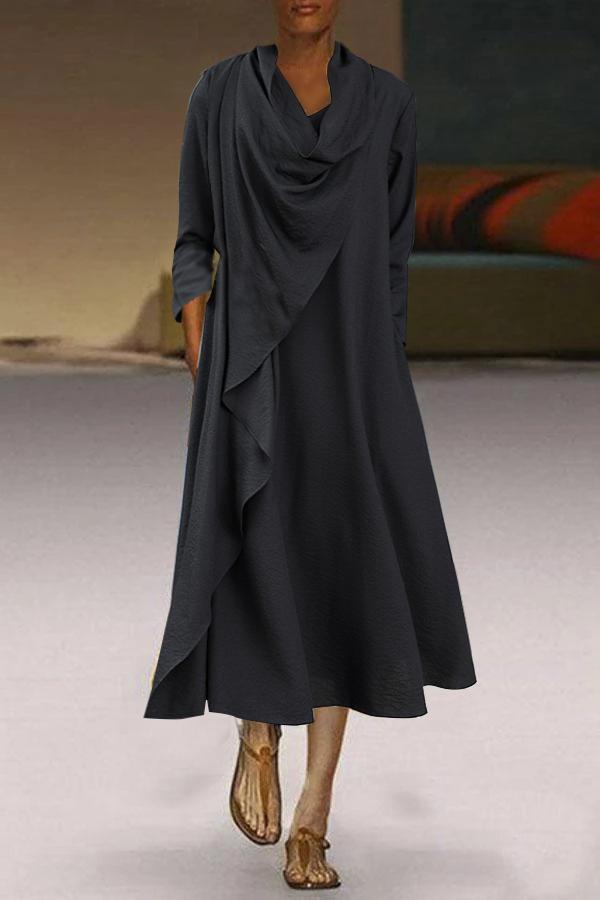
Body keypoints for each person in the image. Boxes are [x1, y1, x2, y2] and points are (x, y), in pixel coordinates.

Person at [145, 0, 477, 890]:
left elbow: (394, 252)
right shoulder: (220, 93)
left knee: (344, 568)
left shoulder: (387, 103)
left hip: (352, 362)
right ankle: (257, 727)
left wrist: (386, 368)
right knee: (255, 542)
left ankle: (313, 820)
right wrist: (197, 326)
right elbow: (194, 232)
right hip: (253, 357)